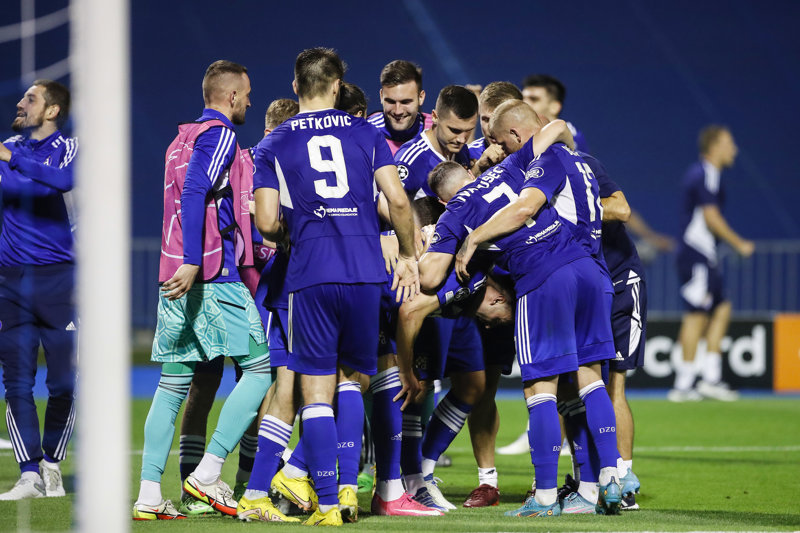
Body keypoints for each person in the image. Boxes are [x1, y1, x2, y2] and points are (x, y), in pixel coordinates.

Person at [248, 47, 419, 527]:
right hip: (365, 272)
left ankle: (325, 506)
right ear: (338, 86)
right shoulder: (367, 132)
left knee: (315, 389)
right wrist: (408, 256)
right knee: (352, 382)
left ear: (296, 86)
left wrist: (296, 228)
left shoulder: (273, 143)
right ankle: (346, 490)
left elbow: (265, 222)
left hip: (311, 274)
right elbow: (398, 201)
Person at [133, 60, 272, 521]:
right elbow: (196, 190)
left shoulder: (180, 139)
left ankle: (149, 495)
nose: (249, 101)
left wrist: (184, 261)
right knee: (260, 371)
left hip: (174, 274)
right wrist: (196, 259)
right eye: (246, 94)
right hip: (210, 273)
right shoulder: (220, 135)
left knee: (172, 386)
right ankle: (209, 473)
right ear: (231, 96)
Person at [0, 79, 77, 501]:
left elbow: (63, 181)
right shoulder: (9, 146)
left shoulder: (70, 148)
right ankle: (29, 474)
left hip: (60, 282)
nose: (20, 103)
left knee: (64, 383)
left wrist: (12, 159)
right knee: (17, 381)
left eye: (30, 98)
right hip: (10, 282)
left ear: (51, 110)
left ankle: (51, 464)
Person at [669, 126, 754, 402]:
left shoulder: (711, 175)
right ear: (714, 146)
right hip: (695, 254)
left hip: (705, 256)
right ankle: (683, 385)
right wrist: (739, 243)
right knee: (697, 314)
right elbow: (710, 217)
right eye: (729, 143)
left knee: (721, 308)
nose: (734, 150)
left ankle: (711, 378)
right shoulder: (703, 173)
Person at [394, 85, 479, 199]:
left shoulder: (461, 150)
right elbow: (387, 205)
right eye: (455, 130)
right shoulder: (411, 159)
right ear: (434, 117)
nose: (462, 140)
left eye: (468, 130)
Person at [368, 60, 432, 155]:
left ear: (421, 97)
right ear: (381, 96)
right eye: (391, 102)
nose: (398, 111)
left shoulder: (437, 129)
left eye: (405, 102)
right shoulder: (365, 131)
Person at [521, 74, 588, 153]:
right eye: (522, 98)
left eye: (533, 99)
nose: (524, 103)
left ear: (554, 107)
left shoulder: (572, 136)